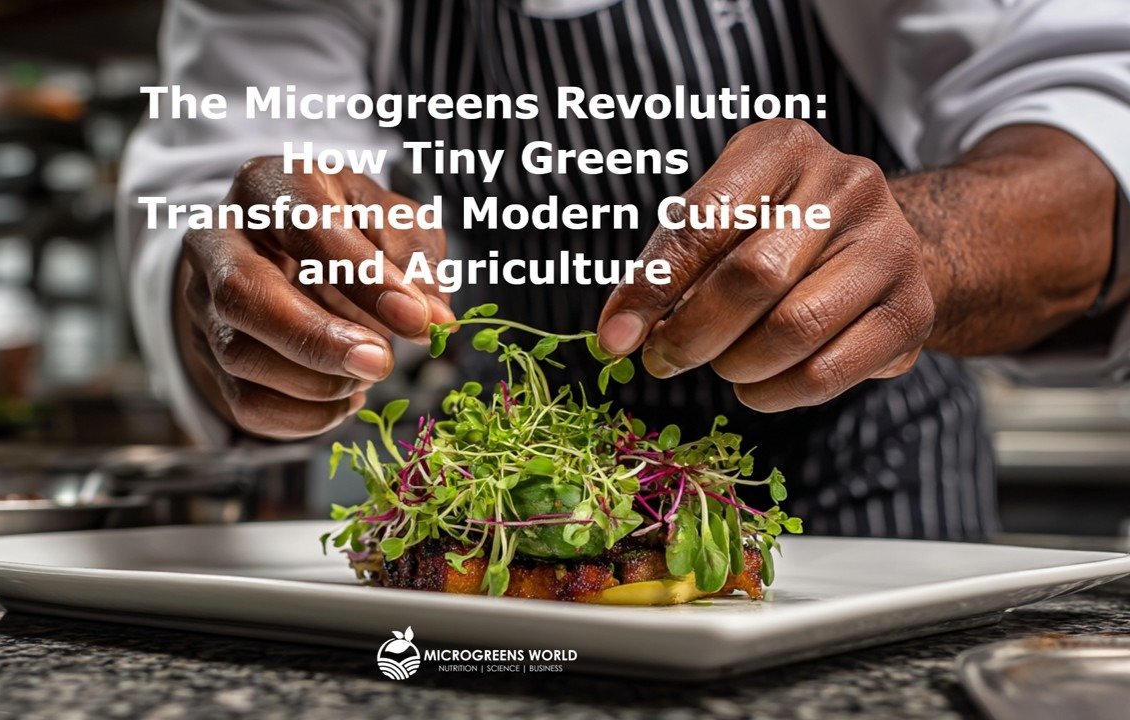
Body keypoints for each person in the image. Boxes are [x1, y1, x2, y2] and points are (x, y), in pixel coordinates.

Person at [119, 0, 1130, 540]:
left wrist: (919, 244)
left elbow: (1092, 120)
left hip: (874, 488)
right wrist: (270, 298)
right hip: (512, 507)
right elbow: (232, 177)